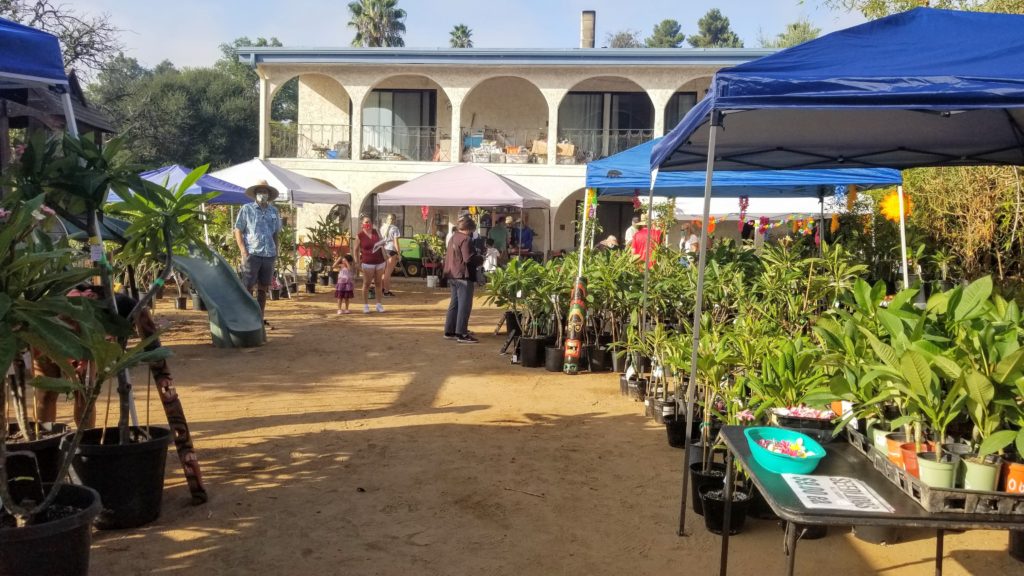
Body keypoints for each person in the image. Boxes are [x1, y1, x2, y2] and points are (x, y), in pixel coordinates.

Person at [234, 180, 282, 321]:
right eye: (260, 191)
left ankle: (259, 317)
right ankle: (246, 317)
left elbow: (275, 233)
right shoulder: (247, 209)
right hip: (252, 253)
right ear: (255, 194)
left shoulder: (274, 211)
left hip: (269, 254)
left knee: (263, 287)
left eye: (265, 192)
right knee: (248, 286)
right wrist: (243, 250)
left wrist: (276, 251)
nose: (262, 194)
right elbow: (238, 230)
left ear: (269, 194)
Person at [444, 212, 482, 343]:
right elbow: (468, 258)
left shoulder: (453, 237)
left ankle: (450, 331)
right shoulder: (466, 239)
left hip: (453, 274)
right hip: (463, 275)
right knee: (464, 305)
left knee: (454, 304)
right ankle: (462, 333)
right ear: (469, 228)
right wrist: (480, 258)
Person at [356, 215, 386, 313]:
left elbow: (382, 242)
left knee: (378, 283)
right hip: (367, 263)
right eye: (366, 222)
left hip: (380, 261)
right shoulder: (360, 235)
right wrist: (357, 262)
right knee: (366, 283)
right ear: (362, 224)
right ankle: (365, 306)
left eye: (369, 222)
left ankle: (379, 305)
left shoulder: (376, 232)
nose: (368, 224)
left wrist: (382, 243)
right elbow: (356, 249)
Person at [379, 214, 401, 297]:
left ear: (387, 219)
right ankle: (386, 291)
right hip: (391, 250)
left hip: (383, 250)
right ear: (395, 220)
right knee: (388, 272)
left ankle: (381, 289)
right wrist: (399, 253)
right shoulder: (395, 228)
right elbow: (395, 242)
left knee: (383, 272)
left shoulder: (382, 227)